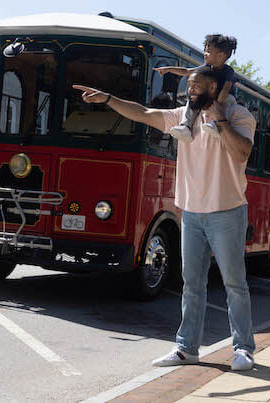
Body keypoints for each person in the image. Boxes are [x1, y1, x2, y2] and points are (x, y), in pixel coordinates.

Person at [73, 68, 257, 371]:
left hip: (226, 209)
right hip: (191, 210)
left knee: (234, 283)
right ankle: (187, 349)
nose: (191, 89)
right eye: (190, 84)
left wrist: (219, 118)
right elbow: (144, 113)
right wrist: (108, 98)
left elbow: (242, 152)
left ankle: (244, 349)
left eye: (197, 84)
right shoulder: (183, 115)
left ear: (214, 87)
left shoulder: (238, 114)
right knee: (191, 283)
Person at [154, 34, 237, 142]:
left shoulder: (228, 72)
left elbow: (226, 89)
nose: (205, 54)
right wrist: (168, 69)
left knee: (229, 99)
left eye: (208, 52)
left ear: (220, 55)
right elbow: (186, 71)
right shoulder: (206, 68)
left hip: (223, 98)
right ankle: (186, 126)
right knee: (193, 97)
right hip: (211, 96)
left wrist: (216, 105)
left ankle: (216, 123)